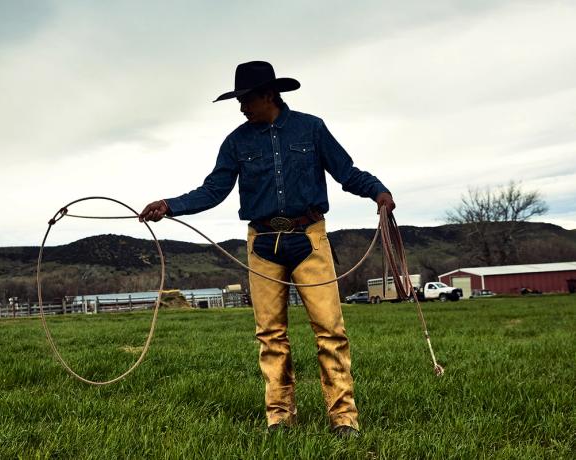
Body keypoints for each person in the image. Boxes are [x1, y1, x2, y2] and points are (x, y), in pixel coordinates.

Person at [139, 61, 395, 438]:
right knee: (270, 335)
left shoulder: (312, 128)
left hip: (309, 237)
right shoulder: (236, 142)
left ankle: (344, 420)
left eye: (246, 99)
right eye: (239, 100)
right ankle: (280, 418)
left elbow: (346, 171)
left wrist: (378, 191)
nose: (242, 107)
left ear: (268, 95)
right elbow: (213, 189)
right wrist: (170, 205)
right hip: (262, 244)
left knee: (330, 331)